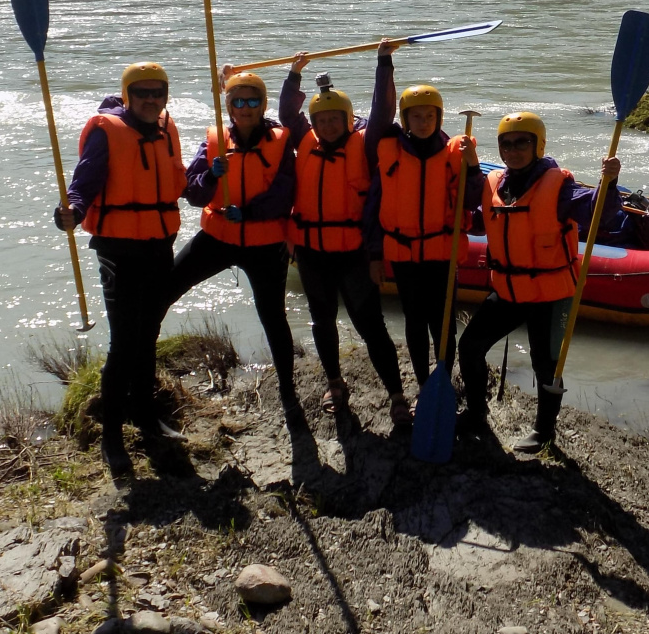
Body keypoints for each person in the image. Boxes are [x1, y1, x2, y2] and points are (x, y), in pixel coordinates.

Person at [457, 111, 624, 453]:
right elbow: (479, 217)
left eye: (522, 142)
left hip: (549, 293)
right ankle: (476, 412)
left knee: (545, 364)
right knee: (470, 346)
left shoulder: (559, 187)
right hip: (508, 290)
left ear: (538, 145)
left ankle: (544, 432)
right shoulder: (495, 183)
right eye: (506, 144)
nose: (513, 150)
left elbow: (599, 215)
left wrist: (609, 184)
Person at [57, 61, 187, 478]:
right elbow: (84, 183)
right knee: (125, 341)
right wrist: (72, 210)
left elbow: (179, 180)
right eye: (142, 93)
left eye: (157, 92)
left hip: (159, 243)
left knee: (148, 334)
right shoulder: (106, 132)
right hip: (119, 248)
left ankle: (146, 416)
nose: (151, 100)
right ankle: (111, 437)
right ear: (128, 95)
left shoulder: (167, 128)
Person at [164, 69, 305, 428]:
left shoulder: (280, 140)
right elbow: (193, 193)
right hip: (219, 238)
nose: (245, 107)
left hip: (264, 243)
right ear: (228, 106)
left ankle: (287, 391)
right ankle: (141, 369)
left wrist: (250, 212)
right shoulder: (215, 139)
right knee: (166, 289)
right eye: (237, 101)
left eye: (253, 100)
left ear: (262, 105)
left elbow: (285, 192)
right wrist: (210, 176)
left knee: (273, 316)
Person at [279, 54, 409, 426]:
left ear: (348, 119)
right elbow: (288, 115)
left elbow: (383, 112)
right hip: (312, 254)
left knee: (371, 327)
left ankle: (396, 395)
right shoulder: (305, 140)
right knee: (322, 322)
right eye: (321, 120)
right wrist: (293, 75)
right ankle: (335, 383)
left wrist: (384, 64)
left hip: (353, 254)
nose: (328, 125)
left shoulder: (365, 145)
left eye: (335, 119)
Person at [363, 47, 486, 389]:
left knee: (443, 325)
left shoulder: (455, 153)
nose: (424, 122)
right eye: (416, 116)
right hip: (404, 256)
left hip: (441, 255)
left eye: (430, 115)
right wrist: (375, 254)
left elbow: (472, 200)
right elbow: (374, 206)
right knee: (415, 323)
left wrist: (474, 165)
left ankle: (442, 381)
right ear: (405, 120)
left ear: (439, 118)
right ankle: (422, 382)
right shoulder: (389, 149)